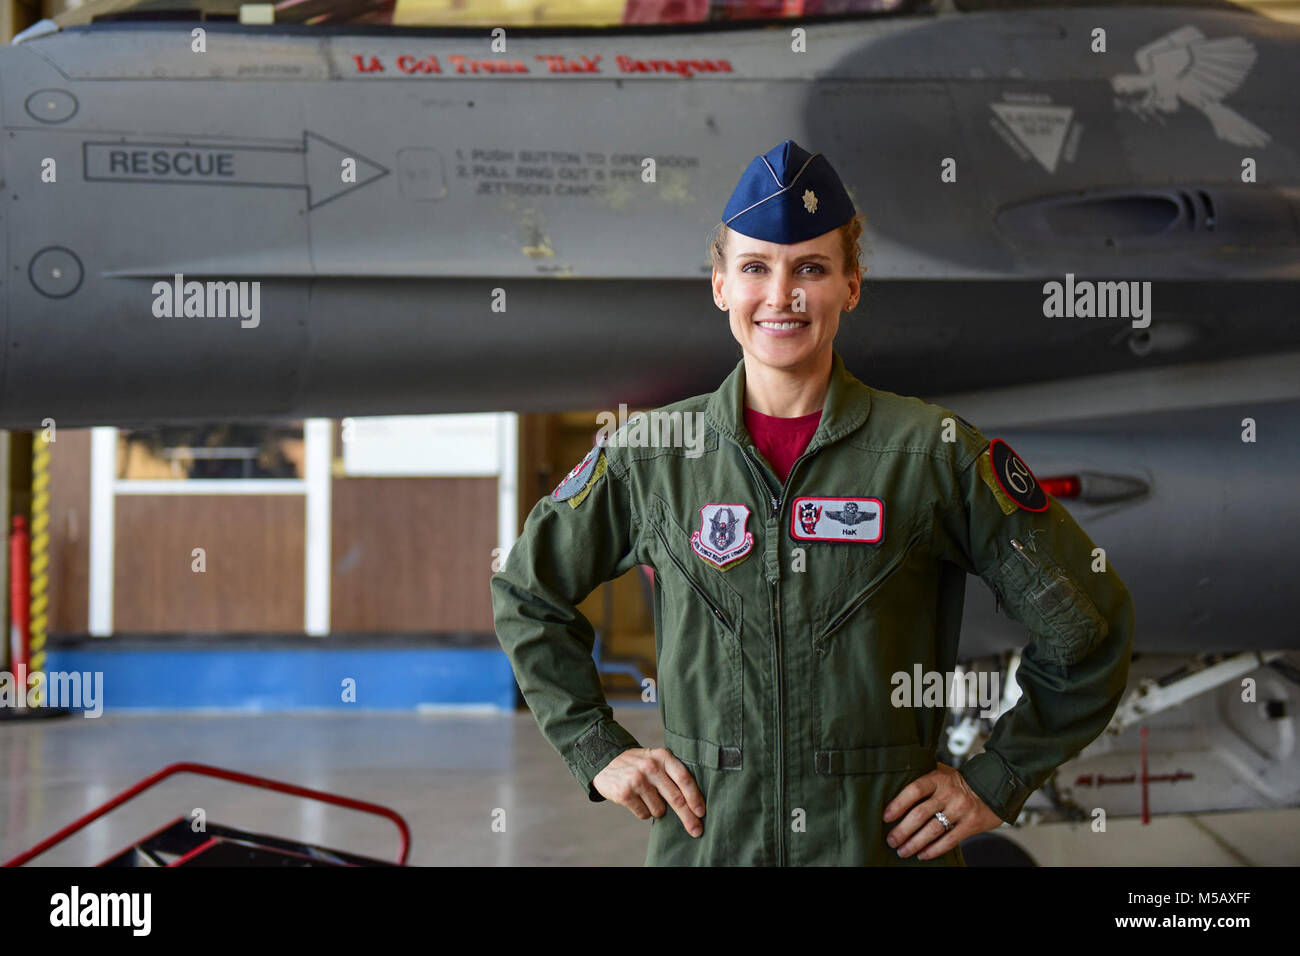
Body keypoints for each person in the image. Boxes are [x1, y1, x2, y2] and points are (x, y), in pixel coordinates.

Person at [490, 139, 1135, 866]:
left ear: (852, 285)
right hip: (710, 848)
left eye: (812, 269)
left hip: (878, 848)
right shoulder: (651, 456)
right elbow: (527, 592)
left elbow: (1091, 625)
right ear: (720, 285)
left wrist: (999, 774)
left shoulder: (933, 454)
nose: (781, 295)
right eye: (756, 268)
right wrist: (595, 747)